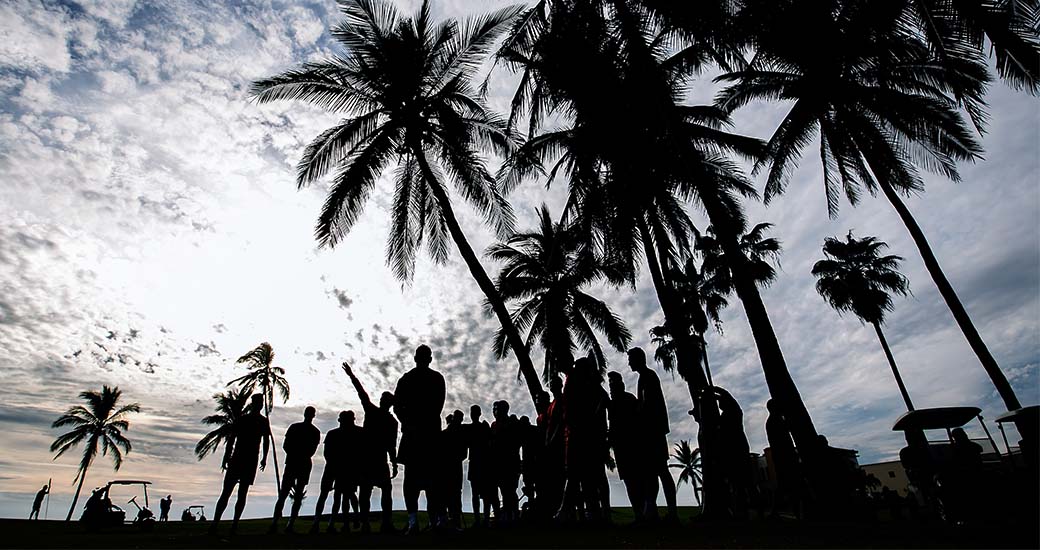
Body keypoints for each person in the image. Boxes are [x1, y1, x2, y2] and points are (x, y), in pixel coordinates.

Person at [393, 345, 446, 534]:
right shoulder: (426, 379)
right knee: (421, 481)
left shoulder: (412, 379)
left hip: (422, 434)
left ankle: (432, 521)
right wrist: (409, 422)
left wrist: (409, 422)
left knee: (427, 481)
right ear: (428, 359)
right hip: (422, 434)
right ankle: (419, 521)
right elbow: (398, 406)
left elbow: (398, 406)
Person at [342, 363, 400, 534]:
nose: (381, 401)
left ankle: (384, 523)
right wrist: (352, 376)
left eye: (384, 399)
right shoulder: (376, 413)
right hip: (369, 458)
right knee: (367, 492)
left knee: (381, 491)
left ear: (388, 403)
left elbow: (391, 444)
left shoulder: (389, 420)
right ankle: (369, 523)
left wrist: (394, 463)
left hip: (376, 459)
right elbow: (362, 393)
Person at [628, 348, 678, 522]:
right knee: (653, 472)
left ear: (638, 359)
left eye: (631, 359)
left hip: (653, 432)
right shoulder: (645, 377)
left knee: (661, 471)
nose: (629, 363)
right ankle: (653, 510)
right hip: (651, 431)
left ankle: (671, 512)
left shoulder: (648, 377)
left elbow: (647, 405)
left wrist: (637, 417)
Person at [557, 357, 609, 523]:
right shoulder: (578, 382)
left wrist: (589, 421)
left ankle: (569, 512)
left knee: (579, 476)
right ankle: (591, 512)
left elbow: (603, 400)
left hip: (581, 434)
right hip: (578, 433)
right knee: (583, 476)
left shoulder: (582, 383)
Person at [210, 394, 270, 536]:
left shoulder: (261, 421)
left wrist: (264, 457)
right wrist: (227, 455)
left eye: (260, 402)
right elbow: (232, 438)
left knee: (240, 494)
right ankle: (217, 524)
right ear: (255, 404)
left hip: (248, 459)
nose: (259, 405)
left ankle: (232, 525)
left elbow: (266, 440)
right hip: (239, 458)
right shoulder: (245, 419)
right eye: (258, 402)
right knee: (228, 493)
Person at [269, 406, 321, 534]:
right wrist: (298, 454)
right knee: (286, 494)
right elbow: (287, 445)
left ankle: (287, 524)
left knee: (294, 495)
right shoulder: (301, 428)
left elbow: (310, 450)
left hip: (299, 463)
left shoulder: (312, 431)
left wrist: (296, 454)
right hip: (295, 462)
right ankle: (278, 524)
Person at [310, 410, 361, 534]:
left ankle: (330, 523)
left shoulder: (349, 433)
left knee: (341, 496)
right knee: (337, 496)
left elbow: (328, 453)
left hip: (343, 469)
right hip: (338, 468)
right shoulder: (340, 433)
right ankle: (322, 523)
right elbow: (327, 453)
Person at [606, 372, 644, 522]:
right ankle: (639, 514)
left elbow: (636, 421)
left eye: (613, 385)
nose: (611, 388)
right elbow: (612, 425)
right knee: (629, 480)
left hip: (630, 444)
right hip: (621, 446)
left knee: (636, 479)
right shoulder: (613, 403)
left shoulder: (628, 400)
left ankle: (642, 513)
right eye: (610, 385)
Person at [715, 386, 752, 519]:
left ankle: (746, 510)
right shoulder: (726, 415)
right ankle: (740, 510)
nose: (719, 405)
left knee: (742, 482)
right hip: (732, 451)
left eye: (721, 402)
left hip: (737, 450)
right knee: (736, 483)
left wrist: (714, 389)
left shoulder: (734, 412)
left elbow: (726, 396)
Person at [765, 398, 801, 518]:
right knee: (789, 483)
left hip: (781, 456)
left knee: (785, 484)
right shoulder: (775, 421)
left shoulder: (773, 421)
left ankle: (778, 510)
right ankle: (794, 510)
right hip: (784, 456)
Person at [491, 400, 523, 525]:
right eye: (494, 409)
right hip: (498, 462)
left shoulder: (512, 423)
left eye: (497, 409)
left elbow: (517, 441)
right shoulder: (494, 425)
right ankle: (507, 515)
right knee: (504, 490)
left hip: (511, 462)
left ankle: (514, 515)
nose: (495, 412)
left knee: (510, 490)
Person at [466, 404, 494, 527]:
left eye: (475, 412)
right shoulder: (471, 428)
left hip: (483, 463)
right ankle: (478, 519)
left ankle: (486, 519)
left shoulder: (484, 427)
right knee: (475, 494)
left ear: (479, 413)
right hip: (475, 463)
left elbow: (491, 442)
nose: (473, 414)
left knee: (485, 494)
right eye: (472, 412)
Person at [440, 410, 468, 529]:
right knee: (450, 494)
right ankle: (449, 521)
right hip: (450, 468)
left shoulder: (459, 435)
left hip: (453, 468)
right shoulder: (446, 434)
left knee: (454, 494)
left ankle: (453, 521)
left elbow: (463, 455)